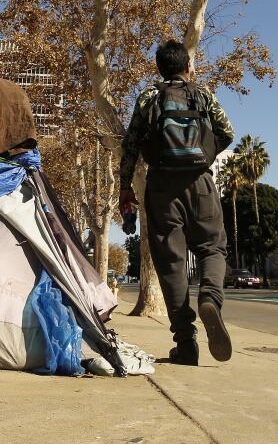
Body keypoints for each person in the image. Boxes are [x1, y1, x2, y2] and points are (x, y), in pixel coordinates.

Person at [118, 40, 234, 366]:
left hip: (161, 186)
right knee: (213, 247)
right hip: (201, 183)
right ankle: (210, 297)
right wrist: (203, 155)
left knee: (171, 263)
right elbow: (227, 132)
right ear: (187, 67)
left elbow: (130, 146)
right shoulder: (203, 94)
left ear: (159, 68)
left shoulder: (148, 97)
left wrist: (125, 187)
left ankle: (185, 343)